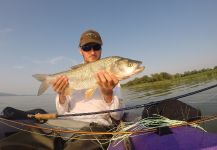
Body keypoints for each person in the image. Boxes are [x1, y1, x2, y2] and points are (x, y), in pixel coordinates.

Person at [52, 29, 125, 149]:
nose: (92, 52)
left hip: (95, 129)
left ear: (101, 48)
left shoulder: (112, 76)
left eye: (96, 47)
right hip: (66, 126)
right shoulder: (70, 75)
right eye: (87, 48)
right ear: (80, 50)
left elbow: (118, 116)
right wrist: (61, 94)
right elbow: (61, 112)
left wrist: (108, 94)